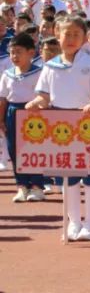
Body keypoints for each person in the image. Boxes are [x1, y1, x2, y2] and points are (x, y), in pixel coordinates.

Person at [27, 16, 90, 241]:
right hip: (61, 127)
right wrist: (37, 103)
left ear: (84, 37)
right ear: (57, 33)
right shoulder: (50, 65)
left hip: (89, 124)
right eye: (67, 34)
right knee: (68, 177)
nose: (71, 38)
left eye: (76, 34)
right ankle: (74, 223)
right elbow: (43, 95)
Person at [0, 32, 46, 202]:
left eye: (19, 51)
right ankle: (22, 186)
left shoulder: (40, 73)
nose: (14, 56)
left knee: (34, 150)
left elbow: (44, 96)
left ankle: (37, 186)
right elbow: (3, 99)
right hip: (13, 113)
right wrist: (1, 120)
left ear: (31, 53)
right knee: (15, 151)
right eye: (12, 52)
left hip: (34, 115)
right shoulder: (7, 74)